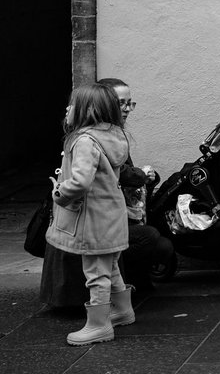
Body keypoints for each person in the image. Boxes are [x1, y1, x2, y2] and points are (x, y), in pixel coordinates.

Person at [46, 83, 132, 346]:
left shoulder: (84, 140)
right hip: (111, 215)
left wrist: (60, 192)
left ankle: (99, 325)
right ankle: (122, 311)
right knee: (110, 266)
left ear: (87, 110)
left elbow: (81, 182)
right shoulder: (114, 135)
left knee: (96, 273)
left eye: (73, 104)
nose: (68, 108)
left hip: (93, 219)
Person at [97, 77, 174, 294]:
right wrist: (140, 175)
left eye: (130, 103)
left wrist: (144, 177)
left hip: (116, 215)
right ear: (104, 103)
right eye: (121, 103)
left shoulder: (114, 132)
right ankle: (125, 290)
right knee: (152, 240)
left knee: (159, 240)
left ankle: (131, 287)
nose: (128, 109)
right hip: (102, 219)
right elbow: (116, 172)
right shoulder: (99, 136)